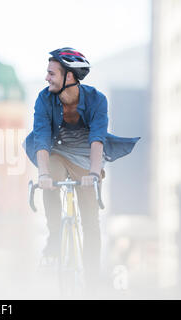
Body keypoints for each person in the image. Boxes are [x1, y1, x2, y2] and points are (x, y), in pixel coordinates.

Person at [24, 47, 140, 288]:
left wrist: (94, 174)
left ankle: (92, 282)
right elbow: (41, 138)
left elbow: (97, 138)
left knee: (90, 222)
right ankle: (55, 236)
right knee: (51, 180)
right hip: (56, 152)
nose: (46, 78)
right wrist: (43, 174)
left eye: (51, 73)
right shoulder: (44, 99)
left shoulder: (97, 99)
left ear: (70, 76)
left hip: (87, 158)